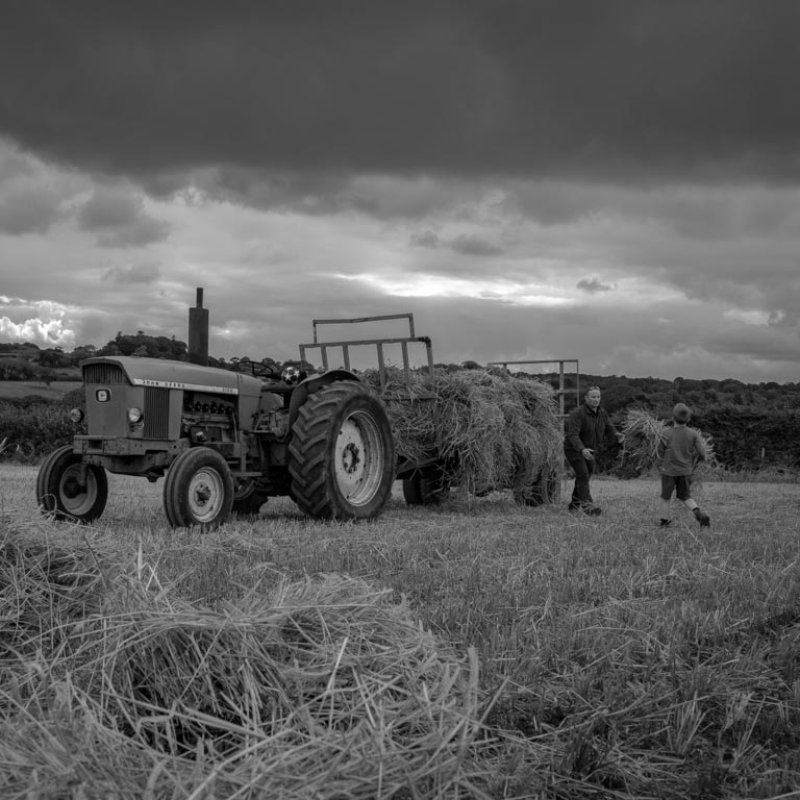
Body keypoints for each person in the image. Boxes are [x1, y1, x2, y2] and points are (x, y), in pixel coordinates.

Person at [564, 385, 621, 515]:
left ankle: (573, 505)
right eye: (593, 397)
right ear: (586, 398)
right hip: (574, 449)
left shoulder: (602, 413)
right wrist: (582, 449)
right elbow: (572, 434)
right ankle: (588, 507)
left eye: (598, 397)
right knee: (583, 474)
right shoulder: (577, 414)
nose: (596, 399)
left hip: (590, 450)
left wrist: (617, 436)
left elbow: (609, 428)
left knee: (584, 476)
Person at [658, 403, 710, 528]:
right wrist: (702, 460)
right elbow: (702, 453)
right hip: (685, 471)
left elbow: (659, 452)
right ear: (688, 419)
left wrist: (659, 465)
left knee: (665, 497)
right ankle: (699, 514)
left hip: (669, 471)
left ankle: (664, 522)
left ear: (672, 417)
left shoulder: (665, 433)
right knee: (685, 496)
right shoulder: (693, 434)